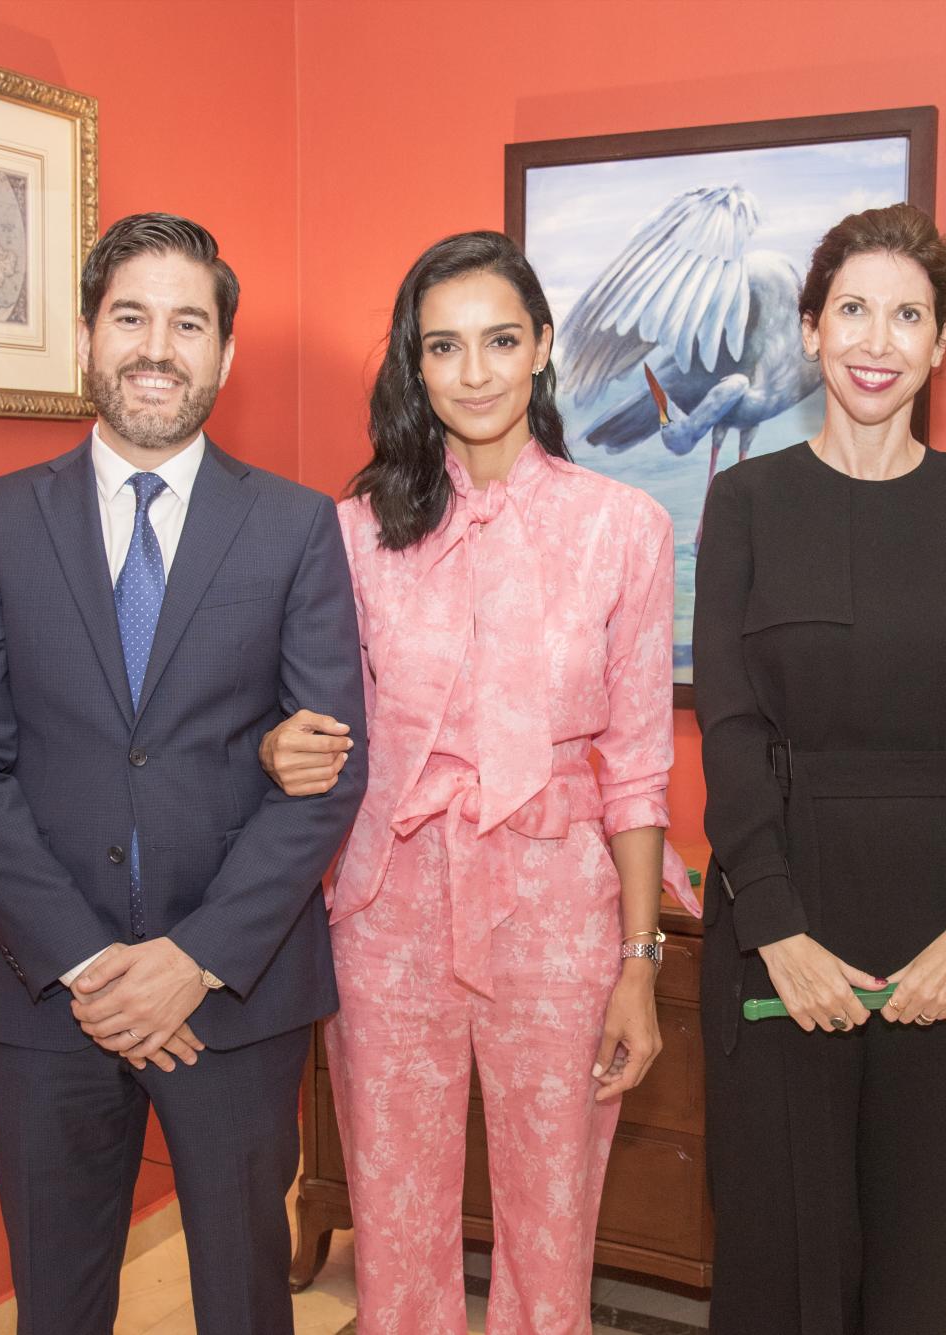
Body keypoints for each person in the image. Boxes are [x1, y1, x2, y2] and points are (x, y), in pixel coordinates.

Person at [0, 213, 367, 1335]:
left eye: (187, 323)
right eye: (130, 318)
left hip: (234, 993)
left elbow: (327, 773)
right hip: (45, 998)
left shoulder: (299, 529)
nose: (156, 348)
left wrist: (192, 960)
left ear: (223, 353)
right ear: (84, 339)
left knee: (241, 1302)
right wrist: (87, 965)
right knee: (57, 1304)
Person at [256, 230, 692, 1334]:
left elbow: (638, 770)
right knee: (393, 1208)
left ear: (542, 346)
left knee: (554, 1213)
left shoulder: (622, 531)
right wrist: (273, 745)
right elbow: (299, 717)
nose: (476, 371)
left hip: (556, 912)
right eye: (442, 348)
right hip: (386, 905)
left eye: (500, 340)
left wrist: (638, 966)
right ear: (416, 366)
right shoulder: (352, 535)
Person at [694, 203, 946, 1334]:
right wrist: (778, 929)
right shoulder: (745, 501)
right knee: (774, 1269)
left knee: (913, 1277)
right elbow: (732, 732)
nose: (876, 338)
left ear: (941, 345)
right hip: (781, 916)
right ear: (808, 330)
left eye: (908, 316)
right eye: (852, 308)